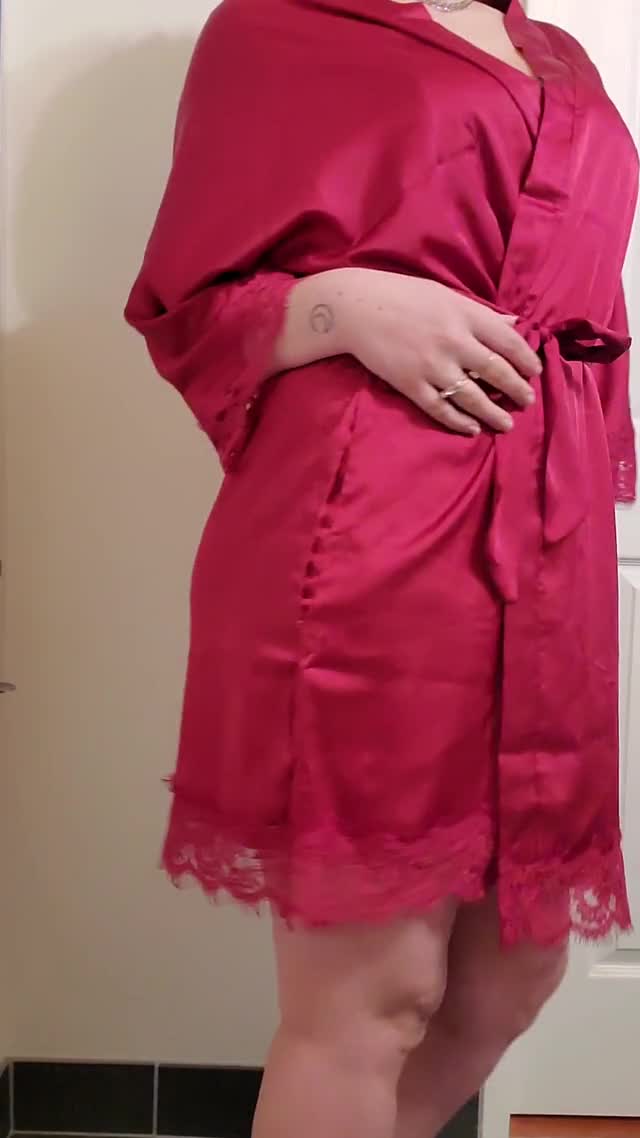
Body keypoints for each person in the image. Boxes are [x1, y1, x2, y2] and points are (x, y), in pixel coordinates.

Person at [125, 1, 639, 1135]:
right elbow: (189, 303)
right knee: (374, 996)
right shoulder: (277, 26)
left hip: (546, 551)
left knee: (512, 976)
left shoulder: (558, 54)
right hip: (369, 532)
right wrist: (346, 305)